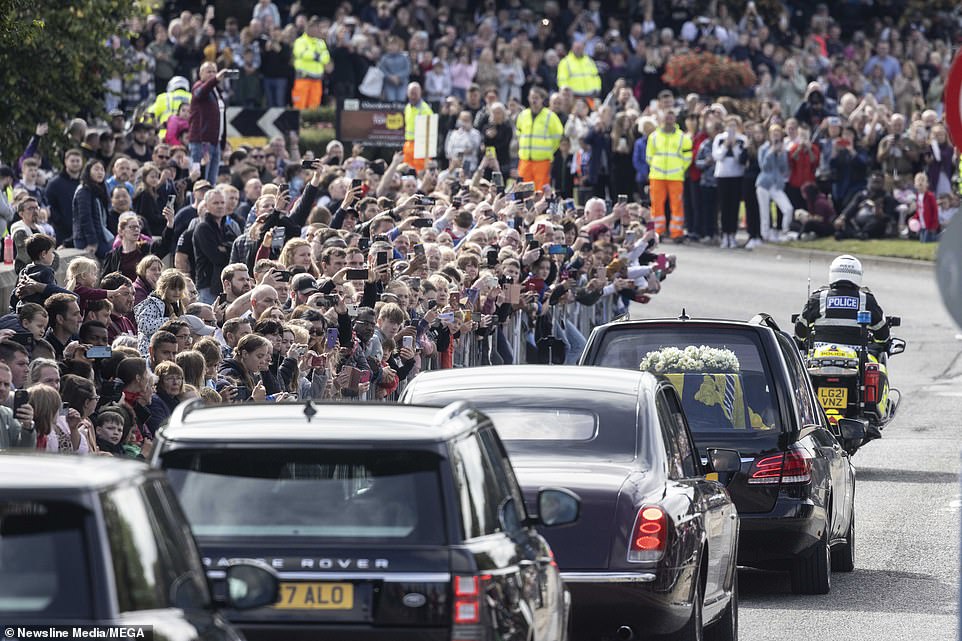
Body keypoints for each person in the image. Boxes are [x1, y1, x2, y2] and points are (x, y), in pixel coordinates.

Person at [794, 255, 890, 352]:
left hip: (820, 358)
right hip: (857, 357)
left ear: (833, 273)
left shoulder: (818, 298)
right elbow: (882, 335)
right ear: (858, 275)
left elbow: (800, 331)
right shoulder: (866, 299)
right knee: (877, 363)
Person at [646, 109, 692, 241]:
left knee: (677, 205)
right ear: (662, 119)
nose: (668, 120)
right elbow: (649, 156)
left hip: (675, 176)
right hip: (657, 176)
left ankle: (676, 233)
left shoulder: (683, 137)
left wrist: (680, 168)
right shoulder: (654, 136)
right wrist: (655, 167)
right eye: (666, 117)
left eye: (671, 117)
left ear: (675, 119)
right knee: (656, 206)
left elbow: (688, 156)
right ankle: (658, 232)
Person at [189, 62, 230, 184]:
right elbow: (201, 92)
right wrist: (216, 79)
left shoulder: (216, 91)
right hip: (202, 142)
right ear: (201, 74)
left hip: (215, 141)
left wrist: (222, 143)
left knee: (211, 182)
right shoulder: (198, 86)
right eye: (209, 72)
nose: (212, 74)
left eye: (214, 71)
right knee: (200, 180)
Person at [515, 87, 563, 190]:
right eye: (532, 97)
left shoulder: (550, 116)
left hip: (542, 161)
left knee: (540, 191)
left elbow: (558, 137)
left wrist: (549, 151)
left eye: (536, 98)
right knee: (523, 191)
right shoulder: (523, 115)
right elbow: (519, 133)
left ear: (542, 99)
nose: (534, 100)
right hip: (525, 160)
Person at [72, 159, 115, 259]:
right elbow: (85, 218)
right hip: (86, 239)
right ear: (88, 171)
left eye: (102, 169)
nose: (100, 172)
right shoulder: (83, 190)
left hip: (100, 235)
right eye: (96, 169)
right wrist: (92, 242)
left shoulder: (100, 189)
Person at [291, 16, 332, 110]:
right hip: (303, 78)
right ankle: (298, 124)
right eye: (312, 27)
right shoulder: (300, 41)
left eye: (316, 27)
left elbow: (326, 57)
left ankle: (311, 124)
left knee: (314, 105)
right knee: (299, 105)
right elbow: (301, 53)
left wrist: (315, 56)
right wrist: (317, 56)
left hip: (317, 80)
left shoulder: (320, 42)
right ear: (307, 28)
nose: (315, 30)